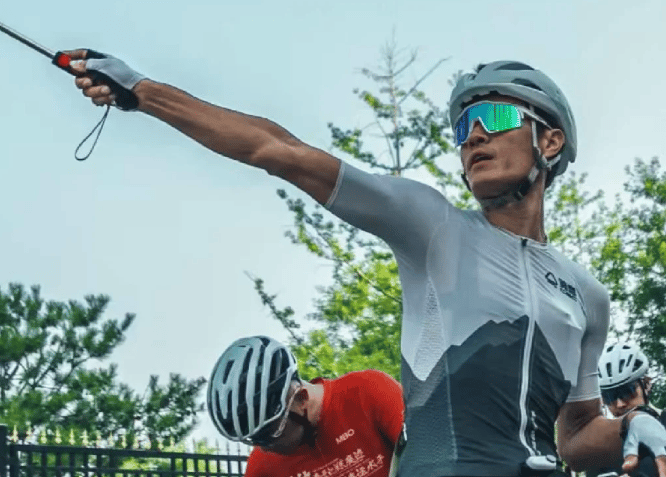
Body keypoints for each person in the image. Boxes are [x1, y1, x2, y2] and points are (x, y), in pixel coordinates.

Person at [65, 50, 666, 477]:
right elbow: (279, 151)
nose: (474, 135)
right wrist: (143, 92)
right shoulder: (433, 227)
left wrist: (636, 425)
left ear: (550, 141)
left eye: (499, 117)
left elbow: (575, 437)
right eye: (464, 126)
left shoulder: (588, 295)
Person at [206, 336, 404, 477]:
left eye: (270, 433)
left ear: (301, 398)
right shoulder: (262, 467)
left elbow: (421, 452)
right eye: (255, 439)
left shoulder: (368, 392)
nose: (265, 448)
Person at [587, 342, 666, 477]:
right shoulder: (600, 450)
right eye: (609, 396)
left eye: (627, 391)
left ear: (647, 385)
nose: (619, 404)